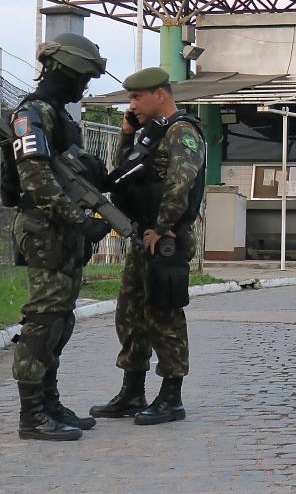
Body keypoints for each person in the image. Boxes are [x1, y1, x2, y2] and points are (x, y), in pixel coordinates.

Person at [5, 33, 110, 441]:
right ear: (64, 70)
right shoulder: (32, 113)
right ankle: (32, 414)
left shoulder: (60, 116)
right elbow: (36, 180)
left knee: (61, 321)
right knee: (44, 320)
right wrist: (80, 221)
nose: (85, 85)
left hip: (62, 229)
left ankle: (49, 401)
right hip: (44, 228)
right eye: (83, 76)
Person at [89, 67, 205, 425]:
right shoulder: (148, 135)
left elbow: (179, 185)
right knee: (131, 313)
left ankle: (171, 396)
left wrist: (162, 227)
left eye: (137, 97)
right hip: (145, 235)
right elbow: (125, 173)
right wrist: (127, 135)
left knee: (164, 313)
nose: (132, 104)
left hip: (166, 237)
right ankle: (132, 390)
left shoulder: (182, 132)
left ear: (160, 95)